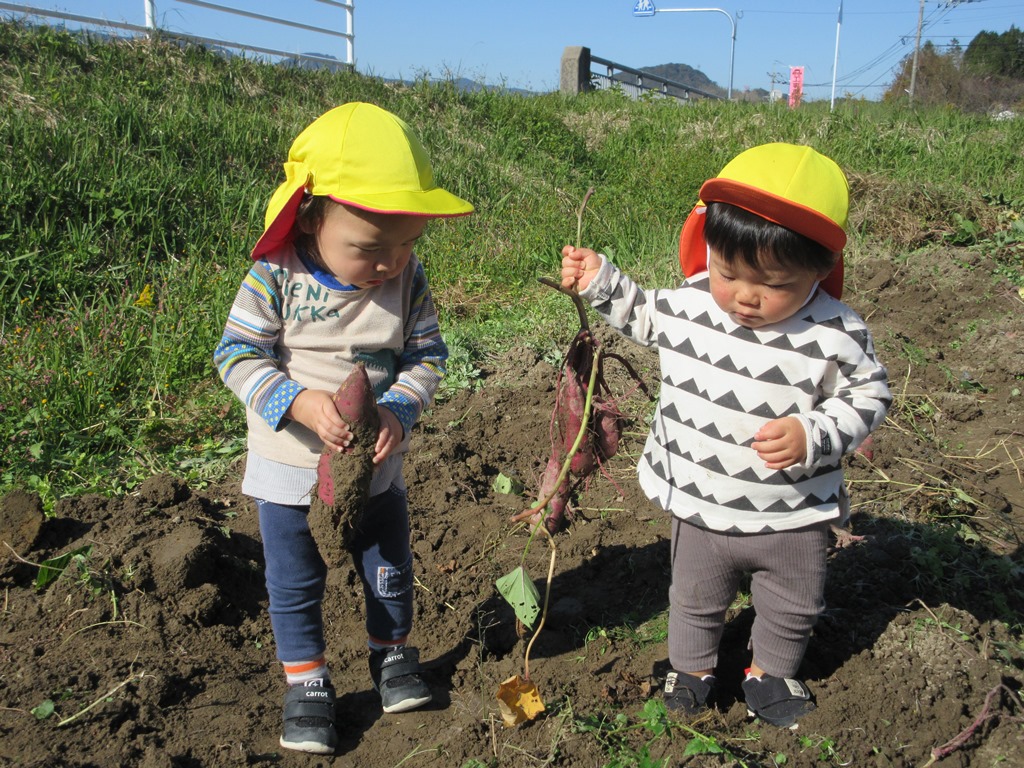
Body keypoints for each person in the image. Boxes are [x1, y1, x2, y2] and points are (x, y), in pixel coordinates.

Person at [560, 143, 891, 729]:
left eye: (772, 284)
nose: (744, 295)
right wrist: (599, 280)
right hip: (700, 500)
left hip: (791, 512)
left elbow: (869, 395)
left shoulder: (837, 333)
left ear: (818, 270)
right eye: (729, 272)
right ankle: (690, 667)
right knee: (693, 598)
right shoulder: (692, 304)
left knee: (793, 604)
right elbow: (641, 313)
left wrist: (814, 432)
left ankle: (770, 670)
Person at [214, 102, 473, 754]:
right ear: (310, 216)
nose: (390, 263)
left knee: (388, 566)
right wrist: (298, 403)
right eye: (369, 248)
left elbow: (427, 357)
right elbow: (237, 353)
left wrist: (398, 410)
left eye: (408, 243)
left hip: (377, 472)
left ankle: (392, 656)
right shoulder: (277, 276)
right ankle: (306, 683)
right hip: (290, 472)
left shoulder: (406, 280)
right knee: (295, 580)